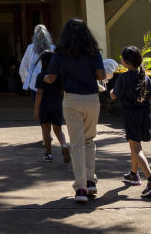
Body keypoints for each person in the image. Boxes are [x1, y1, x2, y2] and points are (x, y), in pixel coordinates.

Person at [43, 18, 105, 203]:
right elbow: (101, 75)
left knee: (77, 144)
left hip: (72, 99)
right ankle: (90, 181)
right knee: (89, 141)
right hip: (92, 99)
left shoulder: (60, 53)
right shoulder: (94, 52)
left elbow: (52, 77)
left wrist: (45, 78)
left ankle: (80, 189)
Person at [109, 45, 151, 197]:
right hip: (145, 114)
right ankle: (133, 174)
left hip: (130, 114)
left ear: (126, 62)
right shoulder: (145, 76)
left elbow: (114, 95)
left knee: (135, 148)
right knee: (135, 143)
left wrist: (112, 90)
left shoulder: (123, 77)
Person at [33, 47, 70, 163]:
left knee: (46, 130)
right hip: (57, 104)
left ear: (42, 61)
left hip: (45, 106)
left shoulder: (41, 76)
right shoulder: (59, 76)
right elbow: (63, 91)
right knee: (58, 129)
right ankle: (64, 145)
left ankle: (49, 154)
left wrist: (36, 109)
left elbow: (39, 93)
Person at [20, 25, 53, 99]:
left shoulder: (31, 48)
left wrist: (24, 79)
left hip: (34, 82)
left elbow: (24, 65)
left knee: (37, 105)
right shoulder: (53, 48)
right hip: (49, 81)